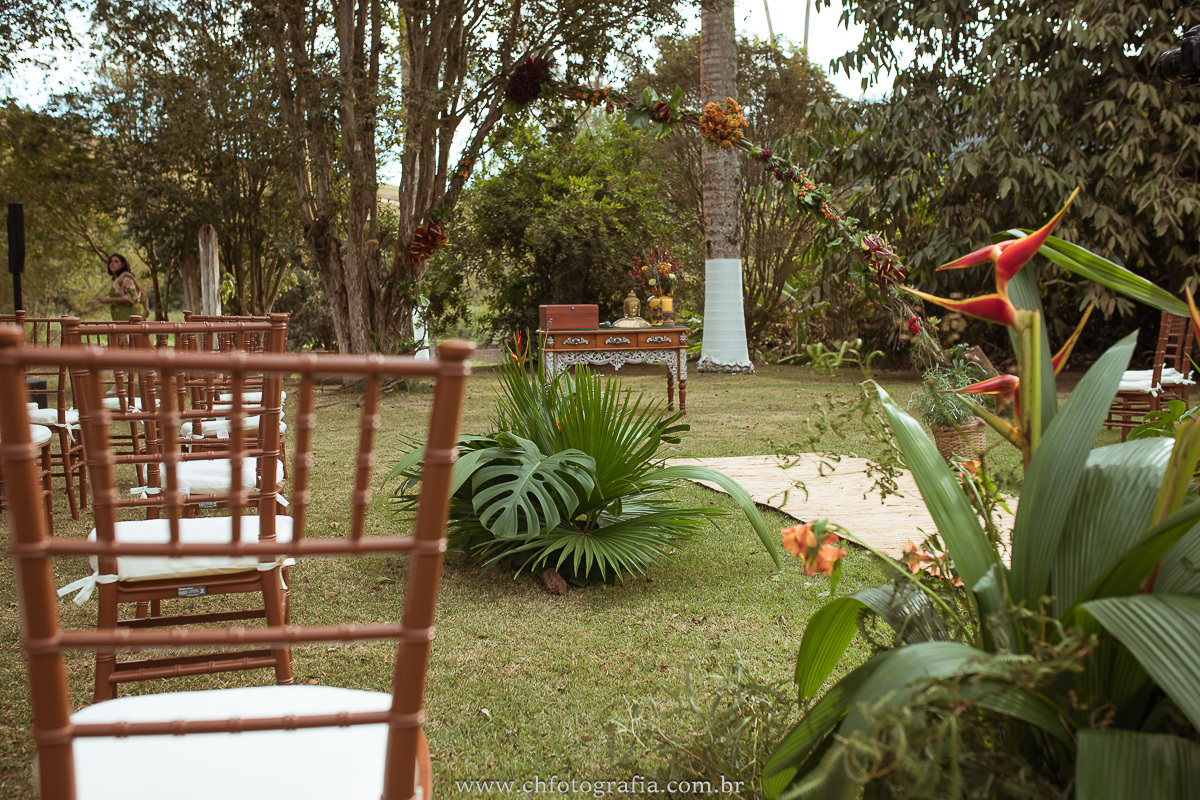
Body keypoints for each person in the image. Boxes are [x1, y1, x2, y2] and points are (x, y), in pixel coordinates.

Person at [96, 253, 149, 321]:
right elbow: (143, 293)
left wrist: (110, 300)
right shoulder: (118, 279)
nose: (112, 263)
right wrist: (147, 309)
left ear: (122, 264)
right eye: (110, 262)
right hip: (122, 316)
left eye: (116, 261)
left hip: (131, 317)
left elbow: (133, 298)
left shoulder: (126, 278)